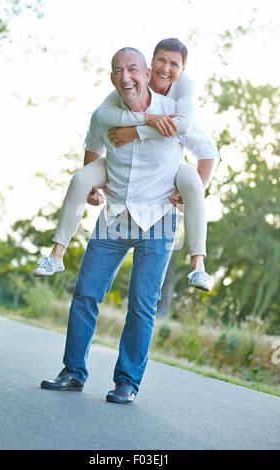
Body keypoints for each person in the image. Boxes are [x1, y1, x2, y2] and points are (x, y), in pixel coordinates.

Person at [40, 47, 218, 403]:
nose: (127, 77)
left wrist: (190, 192)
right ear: (113, 77)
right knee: (86, 295)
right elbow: (92, 152)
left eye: (133, 69)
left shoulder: (173, 114)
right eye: (119, 71)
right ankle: (73, 372)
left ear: (147, 73)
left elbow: (208, 151)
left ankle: (127, 382)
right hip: (114, 219)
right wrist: (92, 189)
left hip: (158, 222)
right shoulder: (104, 115)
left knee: (141, 305)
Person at [33, 38, 219, 292]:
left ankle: (198, 266)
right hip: (120, 165)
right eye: (161, 60)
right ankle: (55, 255)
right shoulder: (127, 83)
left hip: (167, 166)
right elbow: (102, 119)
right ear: (150, 66)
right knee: (80, 179)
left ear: (182, 70)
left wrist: (136, 132)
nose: (166, 68)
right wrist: (94, 189)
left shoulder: (180, 94)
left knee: (193, 183)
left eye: (174, 64)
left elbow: (187, 130)